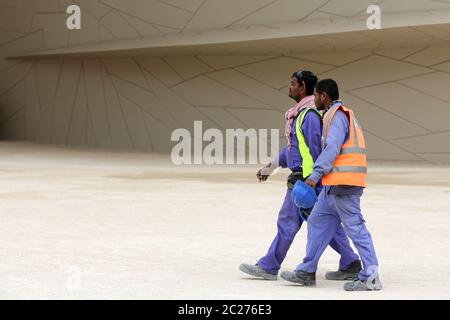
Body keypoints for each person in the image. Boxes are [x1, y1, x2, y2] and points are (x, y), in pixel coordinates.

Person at [239, 72, 361, 282]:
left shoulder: (309, 116)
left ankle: (269, 266)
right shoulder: (300, 114)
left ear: (302, 86)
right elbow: (293, 150)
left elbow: (316, 151)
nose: (289, 86)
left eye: (293, 83)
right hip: (306, 180)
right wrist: (270, 167)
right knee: (323, 224)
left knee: (292, 221)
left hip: (306, 181)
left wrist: (313, 180)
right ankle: (350, 262)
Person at [280, 79, 382, 291]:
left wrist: (315, 175)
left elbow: (332, 148)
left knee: (356, 229)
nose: (313, 99)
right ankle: (307, 271)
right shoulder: (340, 114)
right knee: (317, 221)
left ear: (323, 96)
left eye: (315, 95)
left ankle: (371, 276)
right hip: (332, 186)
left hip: (344, 184)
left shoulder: (336, 116)